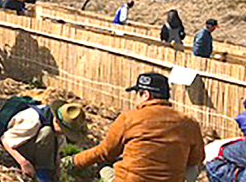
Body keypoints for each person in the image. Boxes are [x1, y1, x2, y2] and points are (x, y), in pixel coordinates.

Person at [63, 72, 204, 182]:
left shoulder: (129, 119)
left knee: (105, 166)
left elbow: (104, 152)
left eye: (138, 94)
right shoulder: (189, 124)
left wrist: (73, 161)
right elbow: (196, 159)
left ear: (145, 95)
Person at [0, 98, 87, 181]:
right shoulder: (32, 119)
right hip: (19, 145)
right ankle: (42, 175)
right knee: (47, 132)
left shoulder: (57, 126)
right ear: (56, 121)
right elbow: (5, 139)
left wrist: (57, 167)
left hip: (36, 146)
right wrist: (24, 163)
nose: (64, 133)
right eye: (64, 130)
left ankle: (45, 172)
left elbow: (56, 146)